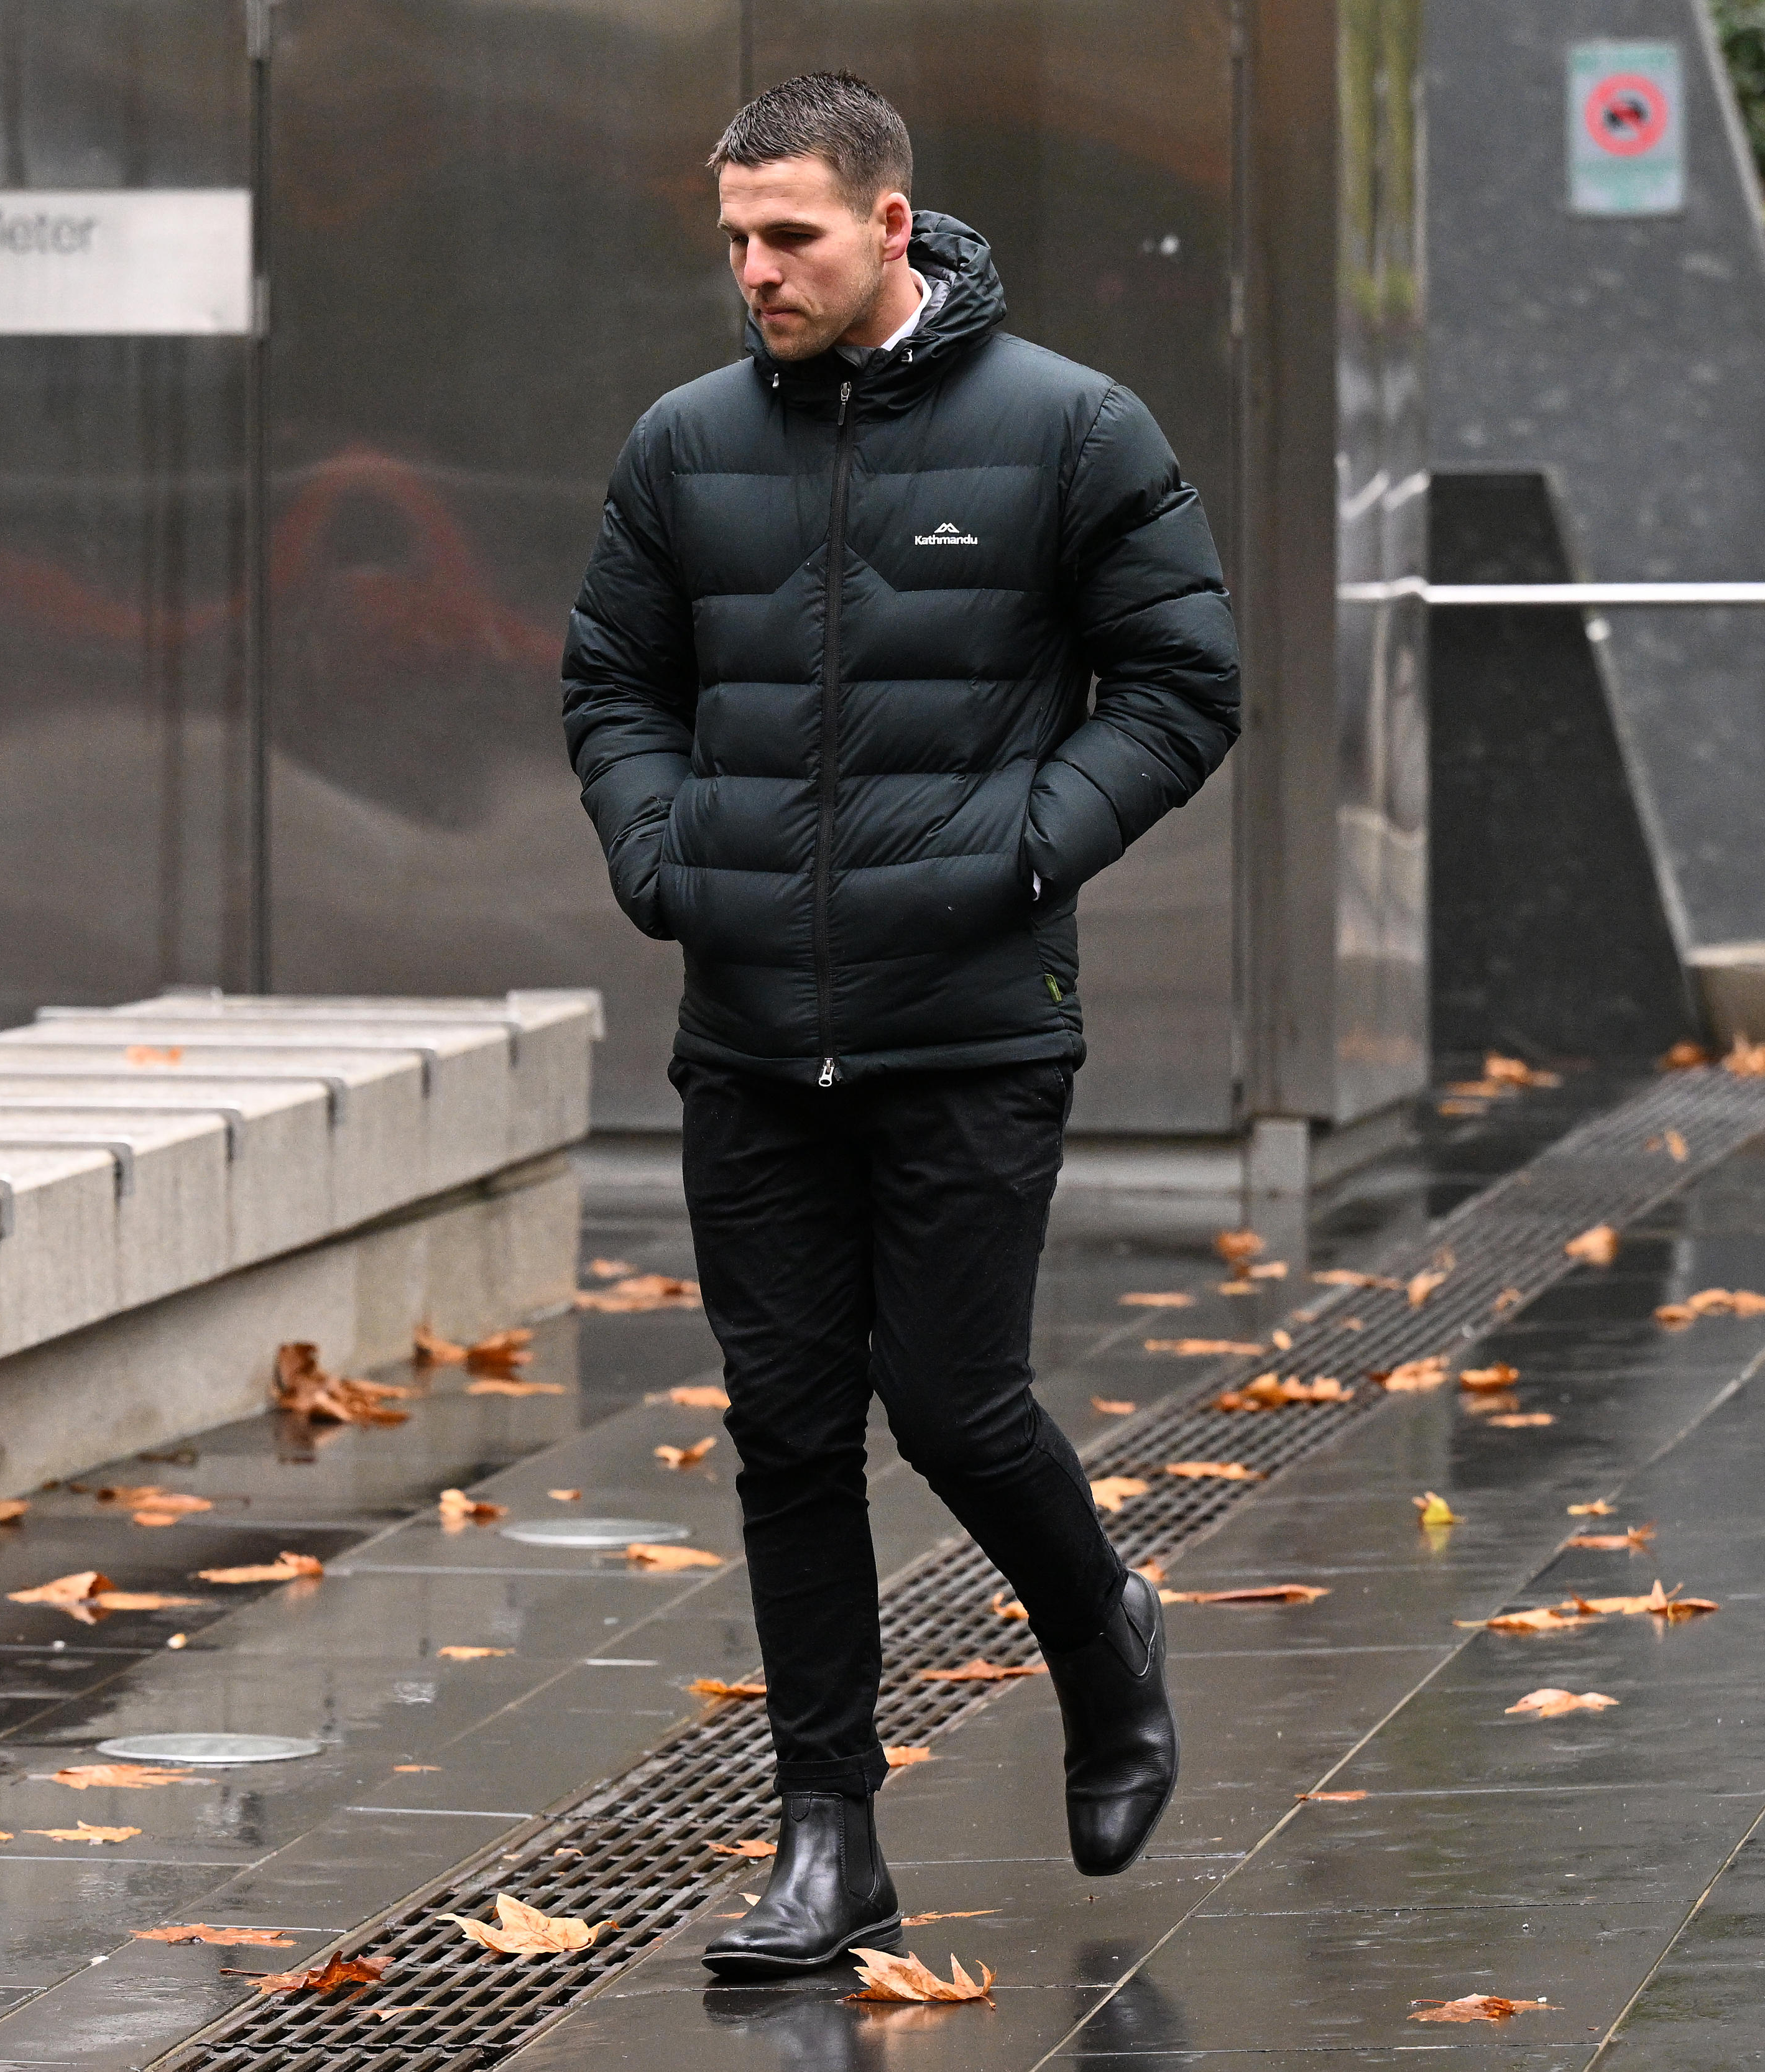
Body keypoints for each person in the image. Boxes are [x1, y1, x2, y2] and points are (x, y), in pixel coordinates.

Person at [560, 70, 1240, 1979]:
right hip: (752, 1026)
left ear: (889, 223)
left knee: (951, 1399)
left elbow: (1185, 683)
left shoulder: (1074, 429)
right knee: (786, 1426)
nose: (756, 273)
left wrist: (1029, 842)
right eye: (734, 242)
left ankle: (1102, 1628)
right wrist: (661, 847)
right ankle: (827, 1837)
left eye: (788, 237)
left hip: (971, 1020)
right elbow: (611, 679)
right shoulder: (685, 446)